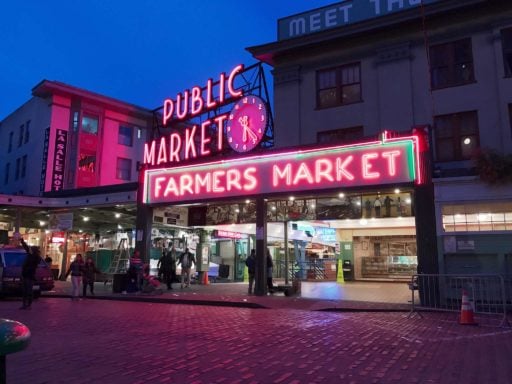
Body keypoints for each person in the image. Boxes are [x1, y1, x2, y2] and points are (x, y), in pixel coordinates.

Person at [19, 238, 42, 310]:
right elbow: (26, 248)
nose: (30, 250)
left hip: (30, 275)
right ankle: (24, 304)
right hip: (25, 275)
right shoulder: (30, 255)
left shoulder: (36, 257)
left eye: (32, 249)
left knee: (29, 290)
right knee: (24, 290)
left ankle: (28, 305)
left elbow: (36, 262)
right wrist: (23, 242)